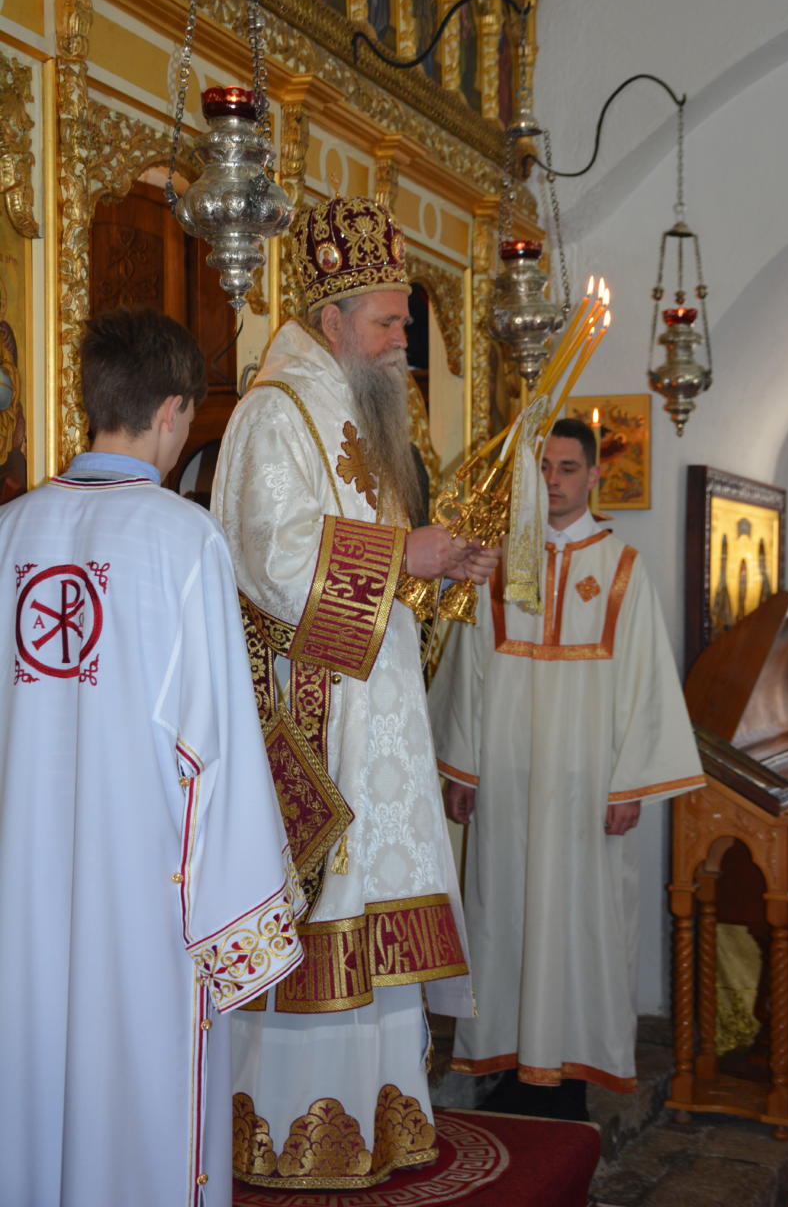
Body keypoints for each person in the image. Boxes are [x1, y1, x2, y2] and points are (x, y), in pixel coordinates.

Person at [211, 195, 497, 1190]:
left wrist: (438, 565)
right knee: (325, 912)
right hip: (312, 726)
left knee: (374, 919)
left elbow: (376, 570)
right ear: (331, 320)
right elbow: (273, 563)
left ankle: (383, 1120)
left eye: (402, 325)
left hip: (370, 723)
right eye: (385, 323)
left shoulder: (356, 407)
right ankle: (289, 1132)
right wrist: (402, 555)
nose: (399, 343)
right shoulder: (273, 412)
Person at [0, 307, 306, 1207]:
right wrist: (238, 926)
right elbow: (216, 747)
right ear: (173, 411)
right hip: (140, 905)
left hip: (19, 894)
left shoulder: (7, 533)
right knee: (139, 1111)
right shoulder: (183, 538)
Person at [429, 417, 704, 1119]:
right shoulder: (494, 566)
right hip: (508, 784)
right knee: (504, 915)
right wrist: (462, 770)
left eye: (568, 468)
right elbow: (467, 668)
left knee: (584, 923)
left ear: (594, 476)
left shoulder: (621, 568)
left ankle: (570, 1071)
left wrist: (629, 784)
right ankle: (507, 1063)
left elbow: (645, 683)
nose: (553, 481)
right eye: (542, 468)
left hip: (588, 792)